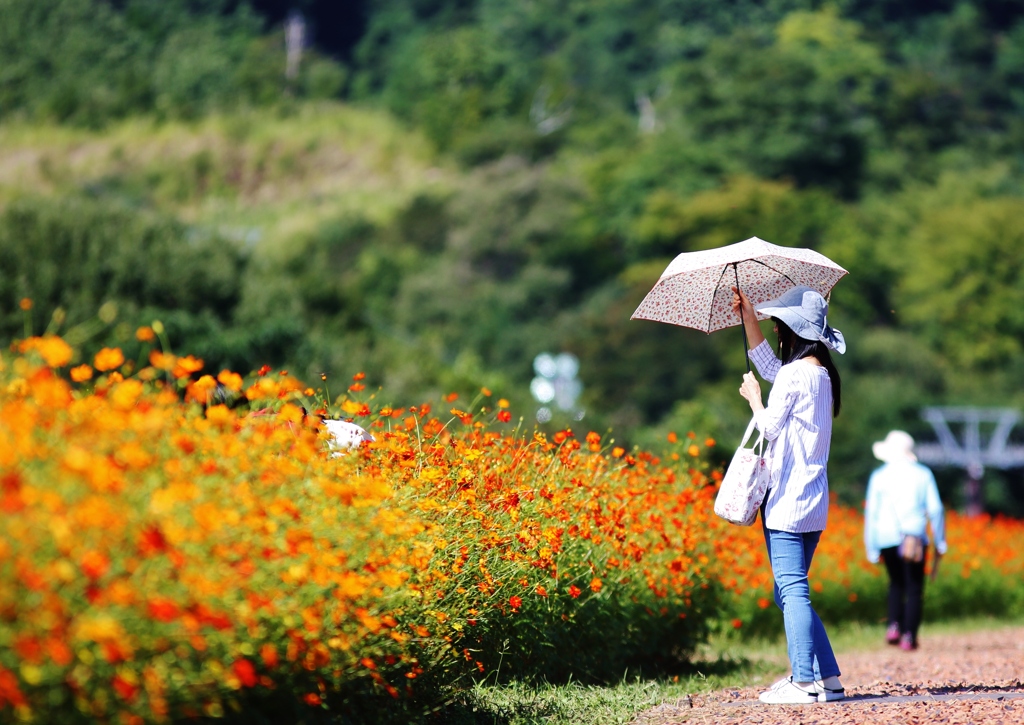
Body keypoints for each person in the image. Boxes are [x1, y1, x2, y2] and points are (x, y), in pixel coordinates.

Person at [732, 284, 847, 705]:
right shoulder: (820, 373)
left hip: (785, 502)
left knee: (792, 592)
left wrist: (753, 399)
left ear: (790, 332)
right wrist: (749, 315)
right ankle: (829, 678)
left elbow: (769, 427)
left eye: (778, 326)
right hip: (813, 501)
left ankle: (803, 681)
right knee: (790, 591)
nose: (776, 333)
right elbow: (768, 363)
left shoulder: (795, 375)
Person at [863, 430, 947, 651]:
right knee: (914, 587)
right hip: (914, 538)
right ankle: (909, 636)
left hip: (886, 537)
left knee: (895, 583)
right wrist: (940, 541)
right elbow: (936, 509)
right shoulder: (923, 474)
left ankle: (893, 625)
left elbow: (871, 514)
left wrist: (871, 548)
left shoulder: (879, 476)